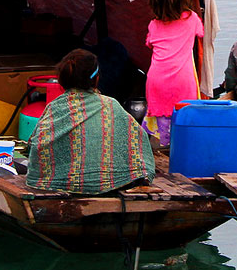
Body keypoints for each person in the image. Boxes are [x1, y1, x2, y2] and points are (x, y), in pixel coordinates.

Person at [26, 49, 155, 195]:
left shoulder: (54, 108)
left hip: (56, 185)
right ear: (96, 78)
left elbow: (34, 146)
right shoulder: (110, 106)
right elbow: (139, 144)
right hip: (106, 187)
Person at [143, 0, 204, 146]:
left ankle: (162, 151)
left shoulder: (153, 25)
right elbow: (200, 25)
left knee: (162, 134)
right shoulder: (191, 19)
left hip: (157, 82)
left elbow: (151, 45)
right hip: (183, 82)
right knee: (185, 130)